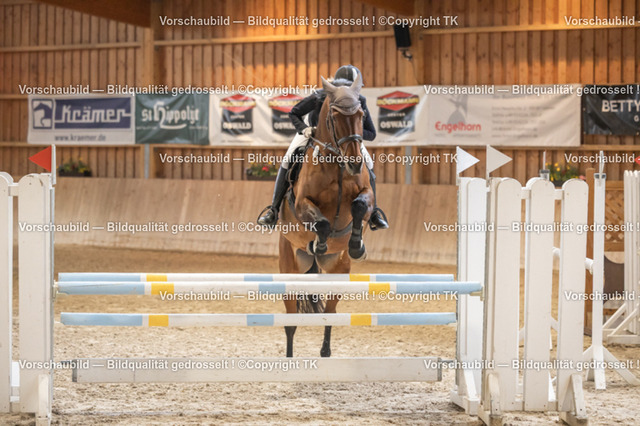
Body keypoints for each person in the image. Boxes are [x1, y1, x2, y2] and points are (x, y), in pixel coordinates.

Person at [257, 65, 389, 231]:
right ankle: (273, 210)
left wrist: (352, 133)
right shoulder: (320, 95)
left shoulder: (360, 100)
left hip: (347, 141)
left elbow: (371, 133)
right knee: (288, 158)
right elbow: (294, 113)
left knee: (368, 163)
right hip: (313, 136)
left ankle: (374, 212)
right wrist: (304, 129)